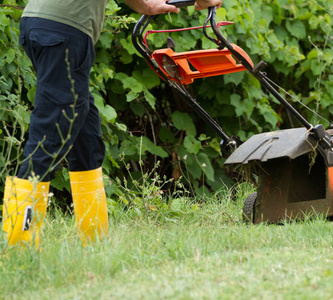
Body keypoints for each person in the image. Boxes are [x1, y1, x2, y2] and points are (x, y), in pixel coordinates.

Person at [2, 0, 222, 248]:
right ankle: (19, 243)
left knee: (86, 136)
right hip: (63, 31)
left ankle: (94, 240)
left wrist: (147, 5)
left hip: (41, 22)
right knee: (51, 134)